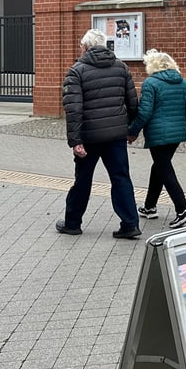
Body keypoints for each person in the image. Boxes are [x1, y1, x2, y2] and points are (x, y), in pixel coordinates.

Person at [56, 29, 141, 239]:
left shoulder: (77, 71)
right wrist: (132, 130)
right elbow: (132, 102)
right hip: (116, 136)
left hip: (89, 137)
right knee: (121, 178)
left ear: (85, 47)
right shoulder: (121, 67)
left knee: (83, 179)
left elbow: (74, 108)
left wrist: (75, 141)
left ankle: (72, 223)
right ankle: (130, 224)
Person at [128, 49, 186, 229]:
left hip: (158, 133)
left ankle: (183, 210)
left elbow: (144, 111)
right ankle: (149, 207)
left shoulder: (151, 83)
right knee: (159, 167)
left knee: (165, 169)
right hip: (177, 133)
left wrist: (133, 131)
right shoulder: (182, 81)